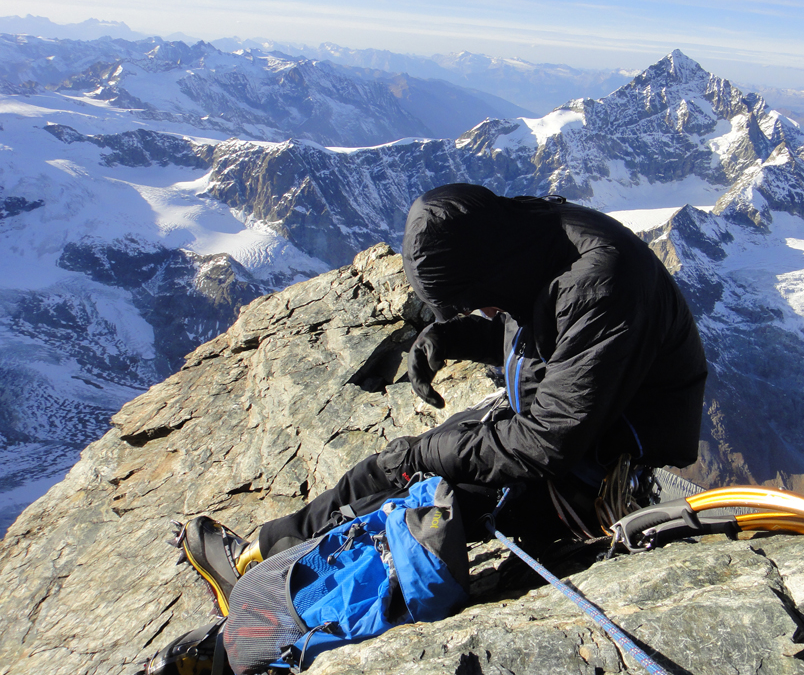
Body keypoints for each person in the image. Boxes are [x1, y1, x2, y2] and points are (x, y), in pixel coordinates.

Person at [178, 183, 708, 614]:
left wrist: (427, 455)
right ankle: (260, 551)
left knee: (416, 502)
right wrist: (453, 339)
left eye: (472, 303)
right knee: (390, 464)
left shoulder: (599, 285)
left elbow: (549, 444)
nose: (480, 312)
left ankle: (260, 583)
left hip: (601, 465)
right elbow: (552, 342)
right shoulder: (529, 236)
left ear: (490, 273)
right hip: (572, 417)